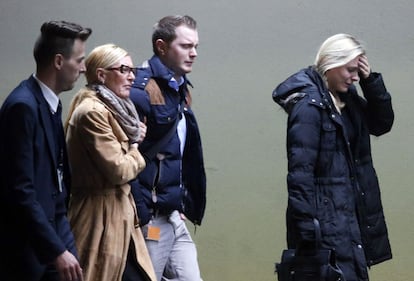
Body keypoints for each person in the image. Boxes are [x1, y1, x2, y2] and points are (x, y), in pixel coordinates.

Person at [272, 33, 393, 281]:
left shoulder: (346, 101)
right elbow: (300, 173)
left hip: (348, 218)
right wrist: (307, 232)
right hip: (326, 225)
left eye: (358, 72)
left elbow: (382, 123)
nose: (355, 77)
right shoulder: (309, 107)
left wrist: (370, 82)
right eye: (350, 70)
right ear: (331, 64)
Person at [0, 21, 91, 281]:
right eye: (80, 60)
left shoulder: (51, 104)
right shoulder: (23, 106)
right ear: (59, 61)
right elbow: (20, 191)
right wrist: (56, 250)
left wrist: (63, 243)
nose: (84, 68)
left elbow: (56, 182)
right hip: (28, 251)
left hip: (54, 235)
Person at [65, 43, 156, 281]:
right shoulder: (92, 112)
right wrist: (136, 147)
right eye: (124, 69)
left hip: (120, 217)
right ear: (101, 75)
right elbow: (120, 170)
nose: (132, 76)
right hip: (99, 219)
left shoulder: (118, 109)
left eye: (132, 69)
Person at [129, 15, 206, 281]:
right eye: (185, 46)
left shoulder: (181, 88)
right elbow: (128, 158)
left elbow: (179, 153)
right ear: (161, 46)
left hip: (173, 214)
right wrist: (142, 213)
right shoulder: (140, 90)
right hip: (151, 219)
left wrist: (180, 199)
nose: (194, 53)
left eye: (195, 46)